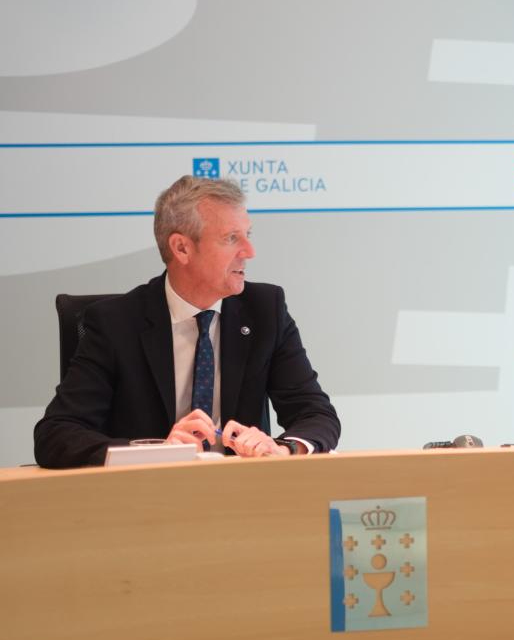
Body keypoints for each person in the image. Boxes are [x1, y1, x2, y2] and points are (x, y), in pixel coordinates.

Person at [34, 176, 340, 468]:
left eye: (248, 235)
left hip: (243, 493)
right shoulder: (115, 323)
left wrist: (284, 448)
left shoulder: (265, 310)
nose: (249, 252)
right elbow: (56, 434)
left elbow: (316, 414)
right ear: (182, 248)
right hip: (148, 494)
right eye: (231, 239)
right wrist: (154, 452)